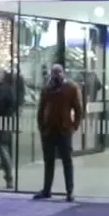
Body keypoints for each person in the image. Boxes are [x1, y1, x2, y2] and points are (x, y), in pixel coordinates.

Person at [34, 64, 85, 201]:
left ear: (63, 73)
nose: (56, 75)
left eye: (58, 72)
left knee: (67, 161)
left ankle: (69, 191)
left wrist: (74, 126)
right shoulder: (47, 90)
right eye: (54, 73)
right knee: (48, 161)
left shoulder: (71, 88)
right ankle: (47, 189)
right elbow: (41, 109)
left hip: (64, 129)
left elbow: (79, 110)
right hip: (49, 130)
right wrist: (41, 126)